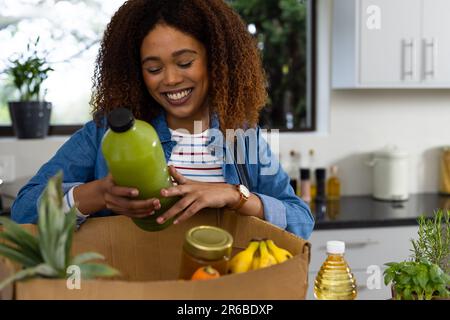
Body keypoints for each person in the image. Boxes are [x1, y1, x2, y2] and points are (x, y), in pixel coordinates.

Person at [11, 0, 314, 239]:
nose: (170, 79)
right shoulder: (106, 135)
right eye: (154, 69)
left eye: (184, 62)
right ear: (136, 72)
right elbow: (24, 209)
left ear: (215, 60)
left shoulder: (239, 136)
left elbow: (300, 220)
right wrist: (96, 195)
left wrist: (235, 196)